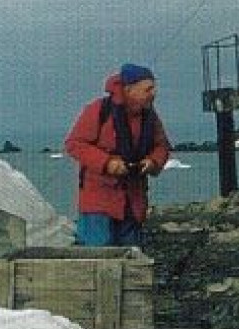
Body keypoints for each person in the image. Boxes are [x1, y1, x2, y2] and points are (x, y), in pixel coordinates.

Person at [64, 63, 172, 247]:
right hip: (98, 200)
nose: (154, 93)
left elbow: (162, 146)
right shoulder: (98, 110)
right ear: (129, 89)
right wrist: (107, 163)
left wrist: (152, 162)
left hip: (133, 199)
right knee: (97, 256)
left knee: (131, 255)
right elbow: (74, 144)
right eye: (148, 89)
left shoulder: (150, 117)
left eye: (154, 88)